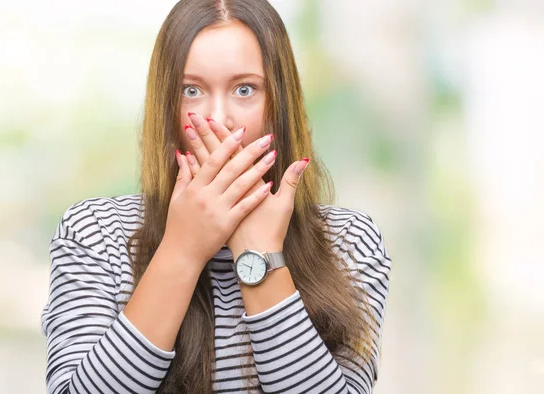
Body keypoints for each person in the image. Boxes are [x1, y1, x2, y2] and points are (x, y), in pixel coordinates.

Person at [40, 0, 392, 393]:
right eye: (192, 90)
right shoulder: (95, 233)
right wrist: (183, 249)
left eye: (245, 89)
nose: (219, 118)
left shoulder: (347, 239)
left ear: (277, 107)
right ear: (166, 108)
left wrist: (257, 252)